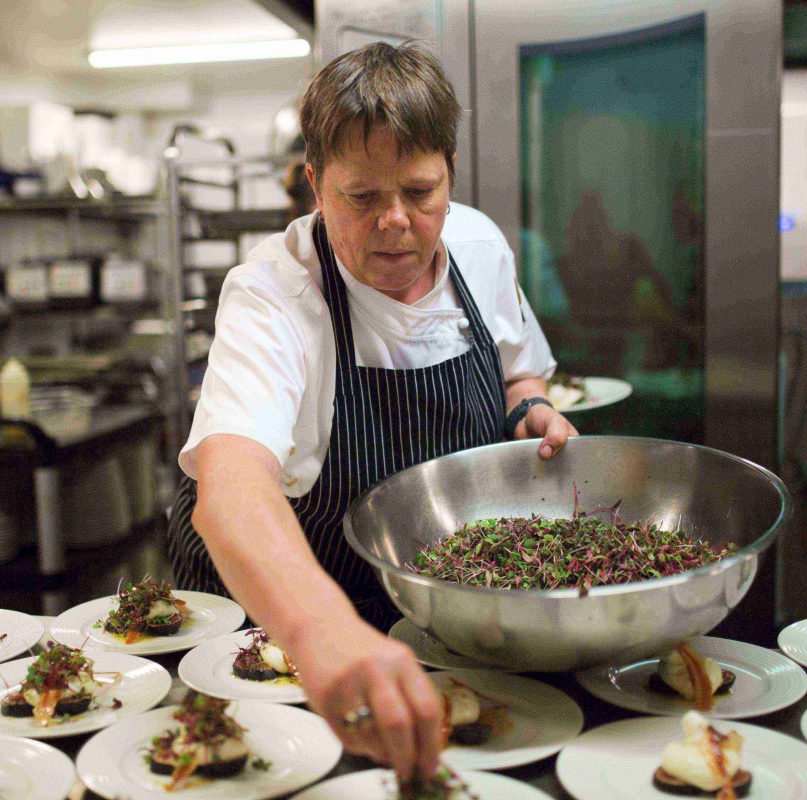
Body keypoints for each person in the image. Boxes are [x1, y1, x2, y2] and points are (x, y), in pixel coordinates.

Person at [168, 41, 577, 781]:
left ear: (449, 174)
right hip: (272, 627)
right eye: (362, 198)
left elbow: (521, 377)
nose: (396, 221)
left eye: (421, 193)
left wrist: (534, 411)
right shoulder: (274, 293)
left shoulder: (480, 248)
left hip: (434, 623)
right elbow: (229, 493)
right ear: (315, 186)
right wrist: (322, 631)